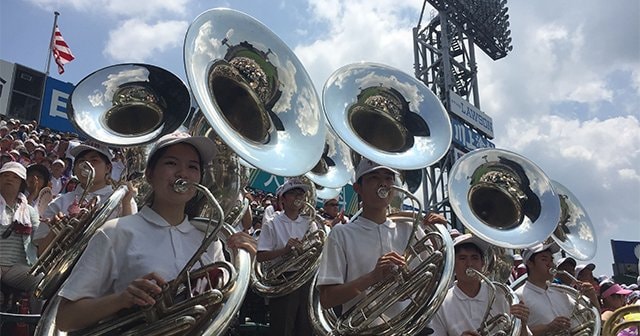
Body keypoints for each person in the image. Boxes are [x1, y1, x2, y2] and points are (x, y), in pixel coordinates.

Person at [55, 131, 257, 332]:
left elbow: (218, 309)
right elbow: (65, 319)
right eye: (171, 163)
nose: (183, 173)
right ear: (149, 174)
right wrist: (121, 299)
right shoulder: (115, 232)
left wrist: (246, 269)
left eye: (193, 167)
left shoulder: (210, 241)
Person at [316, 159, 425, 328]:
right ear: (357, 188)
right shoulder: (341, 233)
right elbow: (327, 299)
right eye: (374, 178)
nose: (383, 184)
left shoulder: (411, 228)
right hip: (363, 329)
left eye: (389, 178)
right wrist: (372, 277)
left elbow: (432, 280)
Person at [33, 142, 138, 254]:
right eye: (81, 161)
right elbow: (41, 252)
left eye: (94, 160)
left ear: (108, 168)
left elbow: (129, 242)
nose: (86, 164)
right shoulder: (59, 202)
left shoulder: (122, 200)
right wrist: (56, 231)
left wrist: (126, 202)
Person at [429, 233, 531, 336]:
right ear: (454, 264)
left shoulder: (501, 293)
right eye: (462, 258)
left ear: (483, 263)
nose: (469, 264)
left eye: (474, 258)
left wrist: (522, 324)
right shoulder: (441, 303)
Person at [256, 178, 317, 336]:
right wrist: (285, 250)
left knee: (305, 327)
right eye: (293, 193)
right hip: (283, 278)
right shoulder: (272, 222)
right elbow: (261, 256)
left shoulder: (309, 223)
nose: (298, 197)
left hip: (306, 279)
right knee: (282, 327)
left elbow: (317, 253)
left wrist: (305, 251)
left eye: (301, 194)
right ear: (283, 198)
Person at [515, 243, 599, 335]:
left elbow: (592, 319)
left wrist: (592, 297)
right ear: (530, 263)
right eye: (544, 259)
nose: (551, 264)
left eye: (551, 260)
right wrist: (548, 328)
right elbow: (515, 333)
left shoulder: (563, 294)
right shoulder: (518, 296)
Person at [0, 162, 41, 310]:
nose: (9, 179)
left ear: (21, 184)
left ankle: (36, 327)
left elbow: (39, 237)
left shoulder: (29, 211)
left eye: (15, 177)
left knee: (41, 281)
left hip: (17, 267)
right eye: (5, 175)